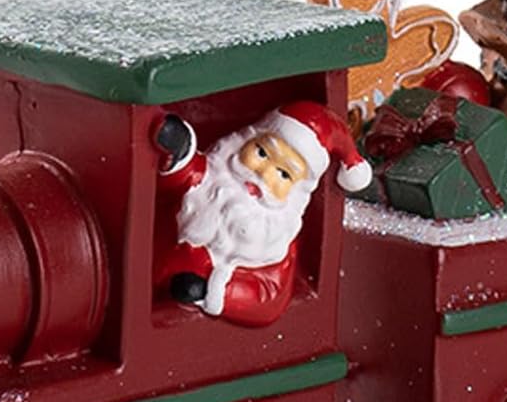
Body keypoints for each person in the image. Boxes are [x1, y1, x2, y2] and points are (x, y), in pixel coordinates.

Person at [153, 101, 371, 326]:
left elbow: (269, 298)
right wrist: (180, 148)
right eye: (262, 152)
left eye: (284, 174)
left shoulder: (274, 244)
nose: (264, 173)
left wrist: (212, 291)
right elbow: (186, 177)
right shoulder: (214, 179)